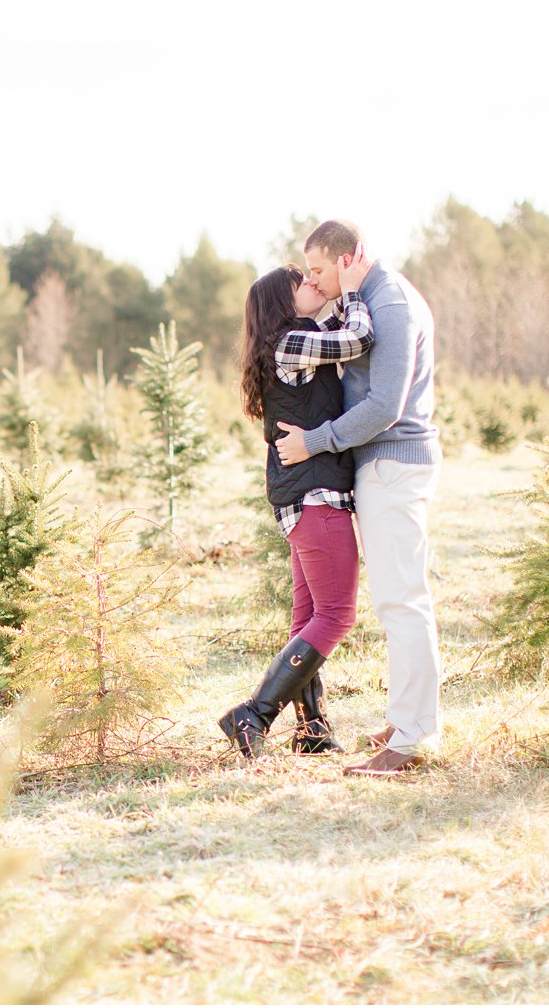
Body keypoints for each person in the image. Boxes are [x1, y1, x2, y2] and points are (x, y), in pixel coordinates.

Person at [273, 219, 443, 778]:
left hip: (394, 462)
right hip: (381, 465)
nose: (315, 283)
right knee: (397, 597)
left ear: (352, 257)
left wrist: (314, 443)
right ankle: (406, 719)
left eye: (319, 269)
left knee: (401, 600)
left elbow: (385, 406)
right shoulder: (366, 301)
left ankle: (412, 739)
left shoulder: (387, 303)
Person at [217, 248, 374, 759]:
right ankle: (254, 715)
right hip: (316, 496)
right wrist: (350, 289)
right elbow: (358, 338)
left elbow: (335, 334)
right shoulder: (291, 343)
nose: (311, 281)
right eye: (299, 281)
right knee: (337, 614)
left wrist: (334, 297)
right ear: (283, 302)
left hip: (299, 498)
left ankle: (312, 730)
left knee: (309, 615)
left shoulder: (288, 342)